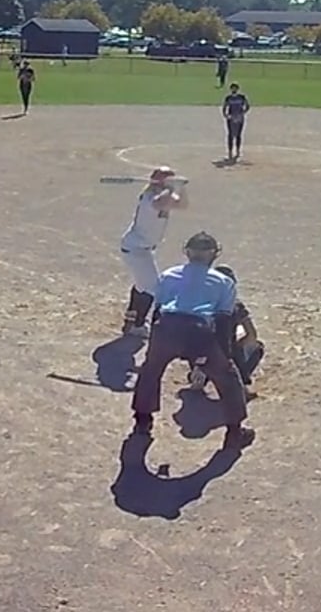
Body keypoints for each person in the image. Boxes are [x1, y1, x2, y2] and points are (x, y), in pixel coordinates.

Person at [131, 232, 254, 452]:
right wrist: (224, 356)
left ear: (187, 252)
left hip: (166, 327)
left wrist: (155, 347)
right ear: (214, 254)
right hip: (197, 332)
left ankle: (142, 421)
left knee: (150, 371)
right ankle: (235, 433)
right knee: (228, 378)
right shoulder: (224, 281)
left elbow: (158, 309)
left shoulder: (169, 274)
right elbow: (223, 321)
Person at [118, 165, 187, 336]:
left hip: (143, 249)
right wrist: (172, 188)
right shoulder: (150, 198)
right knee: (153, 288)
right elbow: (161, 202)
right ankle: (138, 325)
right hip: (136, 249)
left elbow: (182, 205)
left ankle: (131, 319)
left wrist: (180, 189)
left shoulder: (162, 196)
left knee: (142, 285)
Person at [187, 263, 264, 390]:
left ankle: (200, 373)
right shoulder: (236, 305)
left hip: (200, 353)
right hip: (225, 356)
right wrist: (237, 346)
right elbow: (251, 335)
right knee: (257, 347)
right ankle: (240, 378)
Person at [221, 82, 250, 162]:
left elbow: (247, 106)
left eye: (235, 88)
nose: (234, 89)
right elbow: (224, 107)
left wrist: (242, 113)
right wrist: (226, 115)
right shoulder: (228, 98)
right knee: (230, 134)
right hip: (231, 118)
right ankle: (230, 152)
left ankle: (238, 151)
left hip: (240, 118)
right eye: (233, 88)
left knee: (238, 135)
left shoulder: (242, 97)